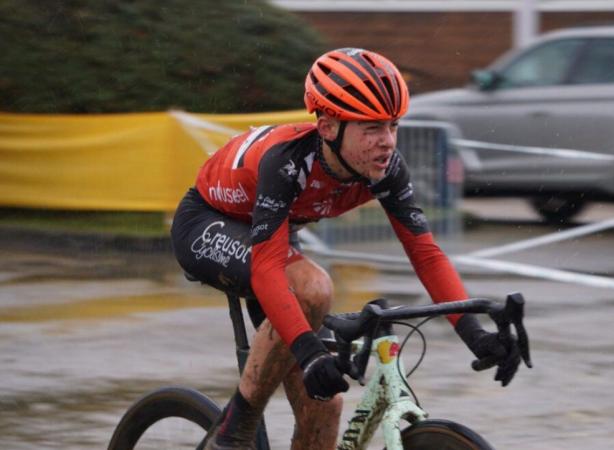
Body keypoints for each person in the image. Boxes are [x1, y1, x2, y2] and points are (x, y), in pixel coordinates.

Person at [170, 48, 523, 450]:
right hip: (208, 221)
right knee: (312, 289)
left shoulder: (384, 167)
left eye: (393, 126)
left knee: (326, 406)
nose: (387, 142)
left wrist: (475, 335)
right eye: (372, 128)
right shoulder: (286, 164)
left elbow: (426, 255)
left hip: (274, 233)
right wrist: (307, 350)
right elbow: (269, 269)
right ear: (327, 127)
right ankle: (233, 433)